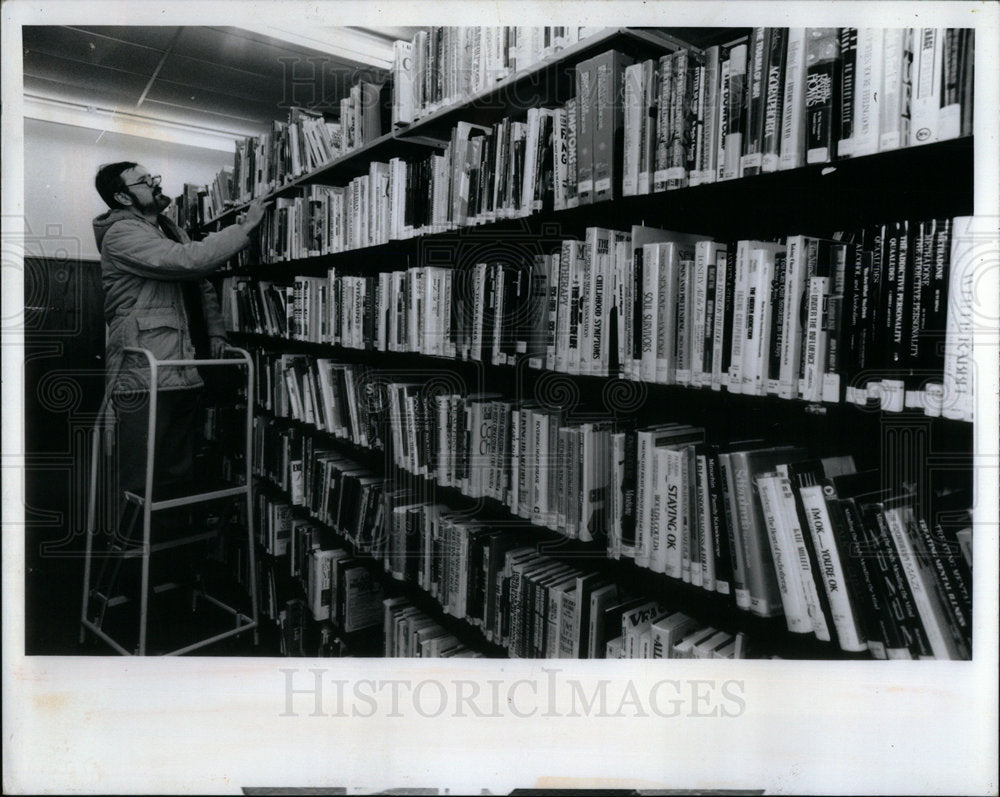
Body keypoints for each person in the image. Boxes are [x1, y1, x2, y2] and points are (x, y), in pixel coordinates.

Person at [92, 161, 268, 511]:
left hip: (182, 366)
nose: (155, 185)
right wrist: (245, 227)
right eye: (144, 182)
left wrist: (216, 332)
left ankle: (167, 558)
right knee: (139, 476)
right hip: (146, 373)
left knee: (176, 473)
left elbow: (200, 287)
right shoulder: (122, 233)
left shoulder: (167, 228)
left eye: (152, 177)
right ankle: (129, 555)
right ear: (121, 197)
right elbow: (189, 262)